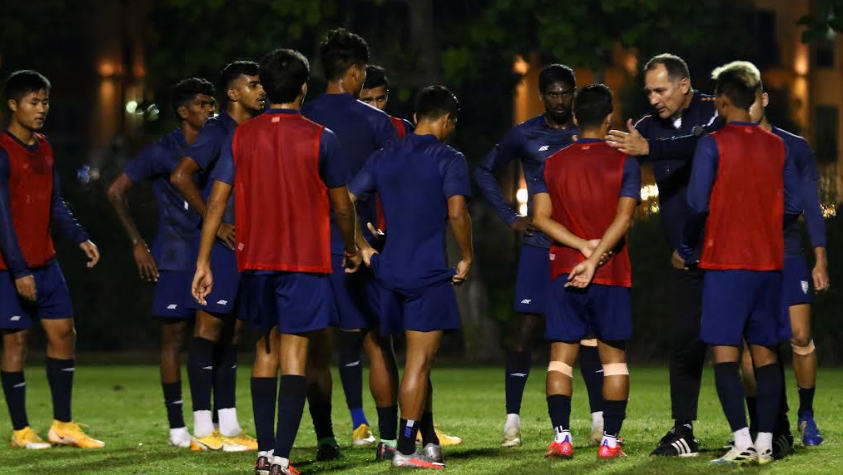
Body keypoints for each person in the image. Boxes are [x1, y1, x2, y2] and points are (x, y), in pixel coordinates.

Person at [191, 47, 363, 475]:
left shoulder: (242, 136)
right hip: (304, 262)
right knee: (295, 357)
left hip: (255, 264)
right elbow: (343, 208)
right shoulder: (322, 137)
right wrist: (351, 246)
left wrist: (203, 261)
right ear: (304, 87)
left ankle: (265, 452)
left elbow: (216, 202)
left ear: (265, 89)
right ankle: (281, 459)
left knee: (263, 353)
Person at [474, 64, 606, 447]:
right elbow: (484, 170)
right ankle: (512, 422)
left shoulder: (588, 132)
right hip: (539, 248)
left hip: (580, 247)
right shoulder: (525, 134)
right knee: (526, 332)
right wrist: (511, 217)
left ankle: (598, 420)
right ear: (541, 95)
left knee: (588, 335)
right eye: (554, 94)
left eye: (567, 93)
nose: (561, 100)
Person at [679, 61, 799, 465]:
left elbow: (696, 204)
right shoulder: (778, 146)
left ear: (723, 100)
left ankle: (742, 439)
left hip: (727, 262)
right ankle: (766, 441)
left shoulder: (713, 144)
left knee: (725, 354)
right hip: (769, 264)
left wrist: (687, 244)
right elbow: (794, 204)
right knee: (766, 353)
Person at [349, 85, 472, 469]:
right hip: (428, 274)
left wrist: (364, 248)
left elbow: (342, 202)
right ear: (448, 119)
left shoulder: (385, 155)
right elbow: (456, 214)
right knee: (419, 364)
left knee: (401, 360)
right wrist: (467, 255)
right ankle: (405, 448)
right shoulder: (449, 158)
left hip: (388, 272)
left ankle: (424, 440)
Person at [606, 54, 717, 457]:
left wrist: (649, 148)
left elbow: (702, 144)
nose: (653, 99)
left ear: (684, 84)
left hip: (727, 250)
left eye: (661, 89)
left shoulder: (712, 110)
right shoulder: (646, 128)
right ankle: (684, 429)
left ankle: (767, 428)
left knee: (745, 342)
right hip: (684, 255)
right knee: (685, 339)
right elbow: (611, 162)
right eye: (649, 91)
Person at [302, 27, 400, 457]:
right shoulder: (377, 122)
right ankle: (389, 440)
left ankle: (325, 439)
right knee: (378, 342)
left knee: (314, 347)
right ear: (357, 72)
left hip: (305, 247)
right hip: (358, 246)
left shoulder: (300, 118)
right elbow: (398, 189)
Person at [531, 84, 640, 460]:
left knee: (561, 358)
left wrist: (579, 248)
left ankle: (562, 438)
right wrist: (595, 256)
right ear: (609, 117)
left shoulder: (553, 163)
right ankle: (609, 443)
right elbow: (625, 217)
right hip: (611, 271)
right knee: (614, 361)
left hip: (565, 270)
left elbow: (540, 218)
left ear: (576, 118)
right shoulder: (626, 161)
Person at [105, 77, 215, 448]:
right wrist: (138, 243)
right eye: (201, 104)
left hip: (215, 251)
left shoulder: (219, 142)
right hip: (174, 255)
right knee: (174, 337)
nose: (209, 109)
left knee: (213, 335)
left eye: (211, 102)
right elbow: (115, 191)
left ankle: (209, 421)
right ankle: (176, 427)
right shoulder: (160, 151)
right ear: (183, 111)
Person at [0, 70, 103, 449]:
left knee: (63, 335)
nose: (42, 109)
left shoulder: (44, 146)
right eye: (34, 102)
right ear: (13, 105)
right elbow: (2, 218)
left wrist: (80, 237)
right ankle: (21, 430)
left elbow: (54, 201)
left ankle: (62, 424)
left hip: (46, 262)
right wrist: (19, 269)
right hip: (9, 267)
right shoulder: (1, 150)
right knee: (15, 343)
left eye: (45, 101)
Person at [170, 61, 265, 451]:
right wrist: (218, 219)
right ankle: (200, 425)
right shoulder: (217, 130)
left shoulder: (255, 130)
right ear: (233, 93)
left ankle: (227, 423)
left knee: (233, 332)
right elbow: (181, 175)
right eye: (254, 84)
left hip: (249, 244)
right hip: (222, 245)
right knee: (207, 329)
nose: (262, 91)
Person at [739, 75, 829, 449]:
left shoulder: (794, 146)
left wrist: (820, 258)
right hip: (745, 256)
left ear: (764, 98)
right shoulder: (728, 146)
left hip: (789, 251)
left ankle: (805, 416)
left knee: (800, 335)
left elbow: (811, 203)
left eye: (751, 99)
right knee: (751, 347)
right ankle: (763, 422)